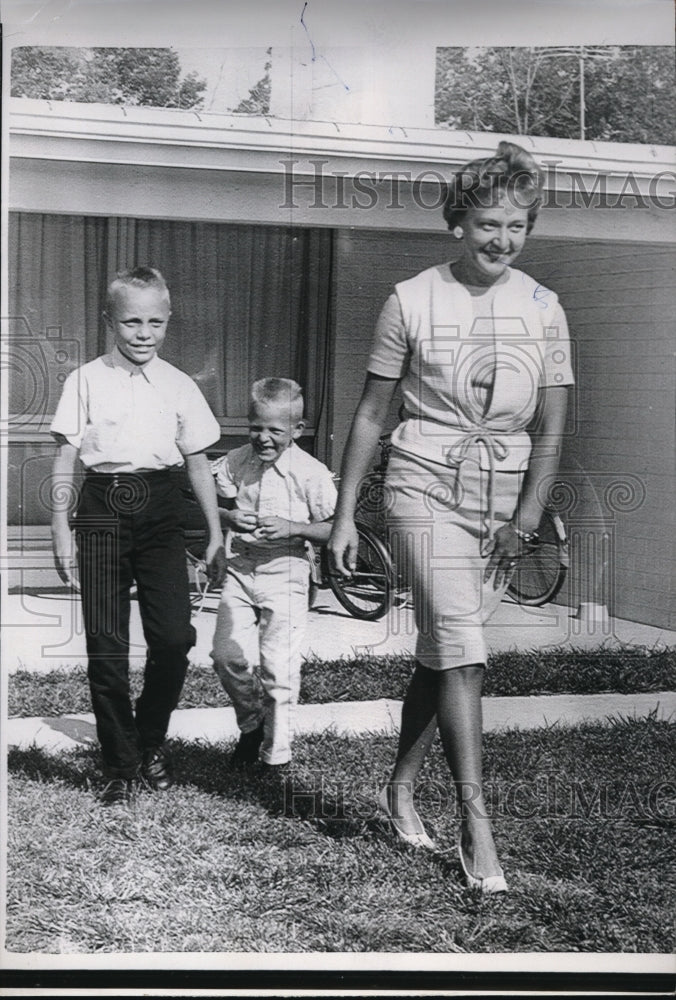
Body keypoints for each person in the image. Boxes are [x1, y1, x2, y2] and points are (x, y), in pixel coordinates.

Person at [329, 142, 574, 893]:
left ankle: (399, 787)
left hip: (501, 503)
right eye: (488, 224)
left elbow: (553, 428)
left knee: (443, 652)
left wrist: (525, 519)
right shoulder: (410, 300)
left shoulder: (544, 307)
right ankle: (476, 821)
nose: (503, 240)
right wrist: (343, 517)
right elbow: (371, 414)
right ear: (458, 223)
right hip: (422, 485)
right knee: (463, 650)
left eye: (517, 226)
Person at [50, 266, 226, 806]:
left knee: (173, 638)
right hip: (102, 508)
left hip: (160, 506)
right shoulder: (85, 380)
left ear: (168, 321)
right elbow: (65, 459)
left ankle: (149, 740)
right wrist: (60, 530)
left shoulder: (179, 384)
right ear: (110, 321)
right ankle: (120, 765)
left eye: (155, 322)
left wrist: (214, 533)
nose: (143, 333)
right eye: (131, 322)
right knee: (106, 644)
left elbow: (197, 462)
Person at [210, 378, 337, 769]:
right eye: (256, 428)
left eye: (275, 431)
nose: (263, 438)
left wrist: (293, 527)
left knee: (278, 668)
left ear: (297, 430)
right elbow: (211, 504)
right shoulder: (236, 460)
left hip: (287, 568)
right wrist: (228, 516)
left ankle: (275, 757)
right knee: (226, 655)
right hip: (241, 567)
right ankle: (252, 724)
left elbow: (335, 528)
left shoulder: (311, 472)